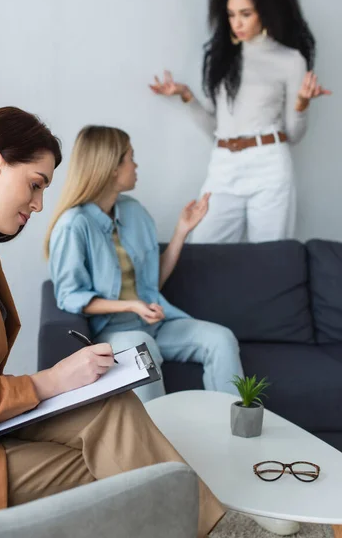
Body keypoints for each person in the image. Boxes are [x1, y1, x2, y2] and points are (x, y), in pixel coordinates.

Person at [0, 106, 225, 537]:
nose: (39, 205)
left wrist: (61, 384)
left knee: (113, 407)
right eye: (35, 185)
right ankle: (202, 527)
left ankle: (209, 527)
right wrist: (48, 382)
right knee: (117, 472)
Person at [45, 125, 243, 404]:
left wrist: (181, 232)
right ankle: (153, 444)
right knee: (142, 348)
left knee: (221, 339)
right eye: (131, 158)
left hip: (154, 323)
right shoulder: (73, 226)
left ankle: (233, 431)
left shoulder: (134, 211)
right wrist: (130, 305)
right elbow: (70, 297)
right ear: (112, 167)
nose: (136, 166)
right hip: (112, 331)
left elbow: (151, 283)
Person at [150, 0, 331, 243]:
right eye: (231, 14)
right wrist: (187, 97)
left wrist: (302, 104)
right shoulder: (221, 57)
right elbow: (215, 129)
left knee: (271, 258)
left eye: (245, 14)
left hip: (269, 164)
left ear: (265, 12)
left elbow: (293, 135)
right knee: (205, 252)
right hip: (223, 165)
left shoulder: (289, 60)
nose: (237, 23)